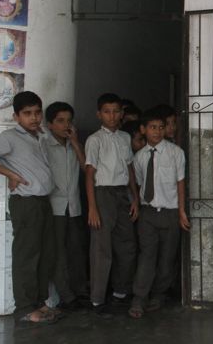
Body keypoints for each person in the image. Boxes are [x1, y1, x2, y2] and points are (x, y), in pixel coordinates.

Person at [0, 91, 56, 325]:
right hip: (25, 202)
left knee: (45, 254)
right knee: (27, 256)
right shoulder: (10, 137)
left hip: (42, 201)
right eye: (27, 114)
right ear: (16, 116)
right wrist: (9, 174)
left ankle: (39, 302)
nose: (34, 118)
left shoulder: (40, 135)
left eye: (37, 112)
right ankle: (25, 308)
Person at [128, 109, 190, 319]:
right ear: (143, 130)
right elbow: (136, 184)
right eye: (153, 127)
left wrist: (181, 211)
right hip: (147, 213)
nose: (157, 131)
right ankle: (139, 297)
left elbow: (181, 183)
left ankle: (158, 294)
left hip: (170, 212)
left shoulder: (175, 153)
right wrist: (136, 202)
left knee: (166, 258)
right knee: (147, 256)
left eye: (161, 127)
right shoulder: (139, 156)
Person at [85, 93, 140, 318]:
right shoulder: (94, 140)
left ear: (122, 114)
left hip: (122, 194)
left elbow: (130, 170)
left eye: (116, 111)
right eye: (107, 111)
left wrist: (134, 197)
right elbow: (89, 174)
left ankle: (120, 292)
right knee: (102, 247)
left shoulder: (126, 137)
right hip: (102, 194)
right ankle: (97, 299)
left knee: (126, 244)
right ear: (99, 114)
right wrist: (92, 207)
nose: (112, 116)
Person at [43, 102, 88, 310]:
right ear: (49, 124)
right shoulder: (44, 144)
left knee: (76, 251)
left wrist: (76, 142)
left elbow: (86, 168)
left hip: (74, 206)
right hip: (55, 207)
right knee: (58, 254)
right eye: (60, 121)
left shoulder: (73, 144)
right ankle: (67, 297)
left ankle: (80, 292)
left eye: (69, 121)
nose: (65, 125)